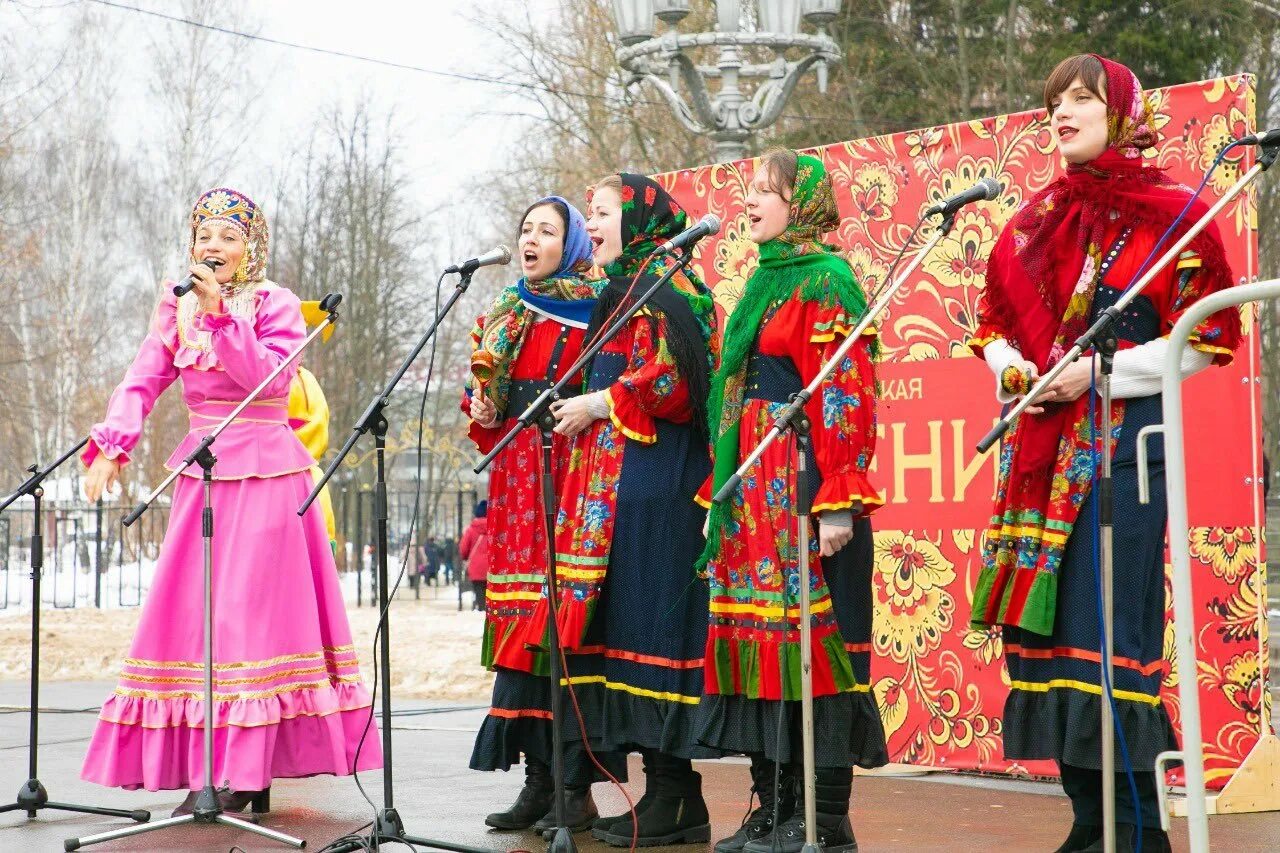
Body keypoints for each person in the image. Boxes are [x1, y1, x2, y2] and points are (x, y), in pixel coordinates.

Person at [968, 55, 1241, 853]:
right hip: (1039, 457)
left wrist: (1101, 372)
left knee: (1108, 636)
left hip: (1123, 452)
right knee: (1049, 644)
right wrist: (1012, 369)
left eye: (1081, 99)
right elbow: (990, 324)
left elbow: (1207, 338)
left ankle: (1135, 828)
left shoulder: (1174, 212)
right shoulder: (1034, 218)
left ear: (1120, 111)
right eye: (1054, 100)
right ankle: (1089, 821)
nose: (1062, 111)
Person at [79, 187, 381, 816]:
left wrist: (223, 315)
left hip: (269, 475)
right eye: (203, 236)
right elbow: (144, 378)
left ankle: (249, 770)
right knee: (199, 623)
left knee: (252, 620)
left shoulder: (276, 306)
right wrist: (112, 445)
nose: (212, 247)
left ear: (251, 247)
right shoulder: (176, 307)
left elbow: (269, 379)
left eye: (227, 236)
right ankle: (215, 770)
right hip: (205, 474)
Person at [695, 150, 887, 853]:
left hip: (804, 488)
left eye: (764, 192)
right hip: (754, 500)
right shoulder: (761, 283)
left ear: (801, 203)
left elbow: (846, 394)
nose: (749, 201)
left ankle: (824, 820)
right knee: (762, 651)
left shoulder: (827, 280)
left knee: (818, 655)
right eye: (747, 190)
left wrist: (839, 499)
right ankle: (775, 807)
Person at [529, 173, 719, 847]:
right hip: (621, 494)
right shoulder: (619, 292)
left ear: (638, 219)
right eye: (592, 214)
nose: (595, 224)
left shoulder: (675, 289)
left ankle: (677, 795)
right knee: (627, 634)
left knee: (656, 634)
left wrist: (601, 402)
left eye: (603, 213)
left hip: (664, 490)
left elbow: (681, 380)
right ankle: (662, 794)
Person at [465, 195, 625, 833]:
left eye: (547, 230)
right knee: (522, 636)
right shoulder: (506, 312)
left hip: (573, 474)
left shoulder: (597, 308)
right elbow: (488, 411)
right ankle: (537, 783)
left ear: (574, 243)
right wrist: (480, 400)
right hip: (519, 484)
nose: (531, 239)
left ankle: (575, 787)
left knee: (565, 631)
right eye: (526, 229)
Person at [460, 500, 490, 612]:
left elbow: (463, 548)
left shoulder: (471, 530)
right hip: (493, 567)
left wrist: (465, 557)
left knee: (479, 591)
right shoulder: (496, 528)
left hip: (476, 567)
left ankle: (481, 609)